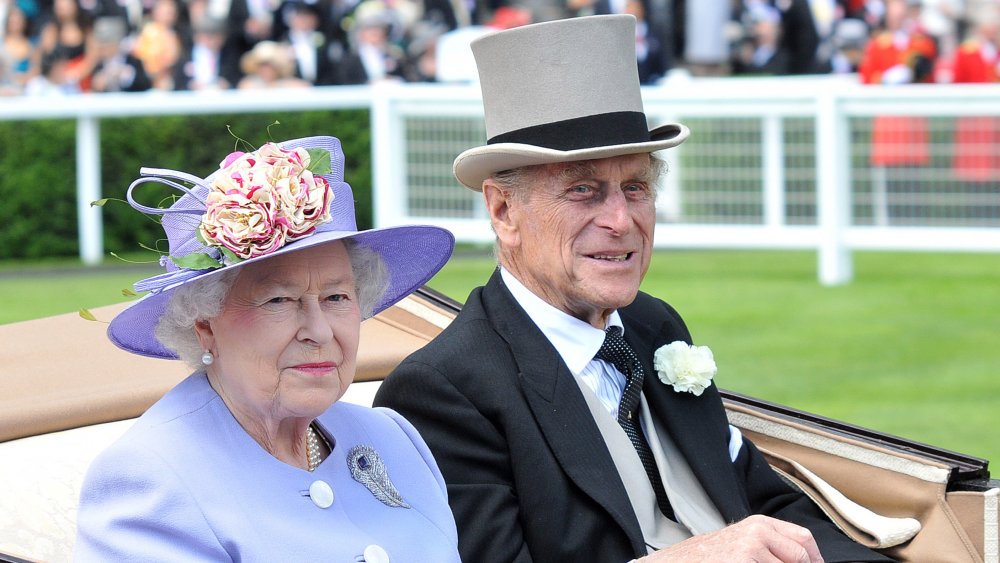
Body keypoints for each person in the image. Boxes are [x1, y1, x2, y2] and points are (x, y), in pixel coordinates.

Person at [374, 15, 893, 563]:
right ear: (504, 211)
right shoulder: (442, 392)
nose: (621, 220)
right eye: (583, 190)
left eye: (636, 187)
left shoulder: (653, 326)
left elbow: (767, 503)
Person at [75, 135, 460, 561]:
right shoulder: (149, 478)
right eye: (279, 300)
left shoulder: (394, 437)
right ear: (205, 325)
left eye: (337, 298)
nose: (320, 331)